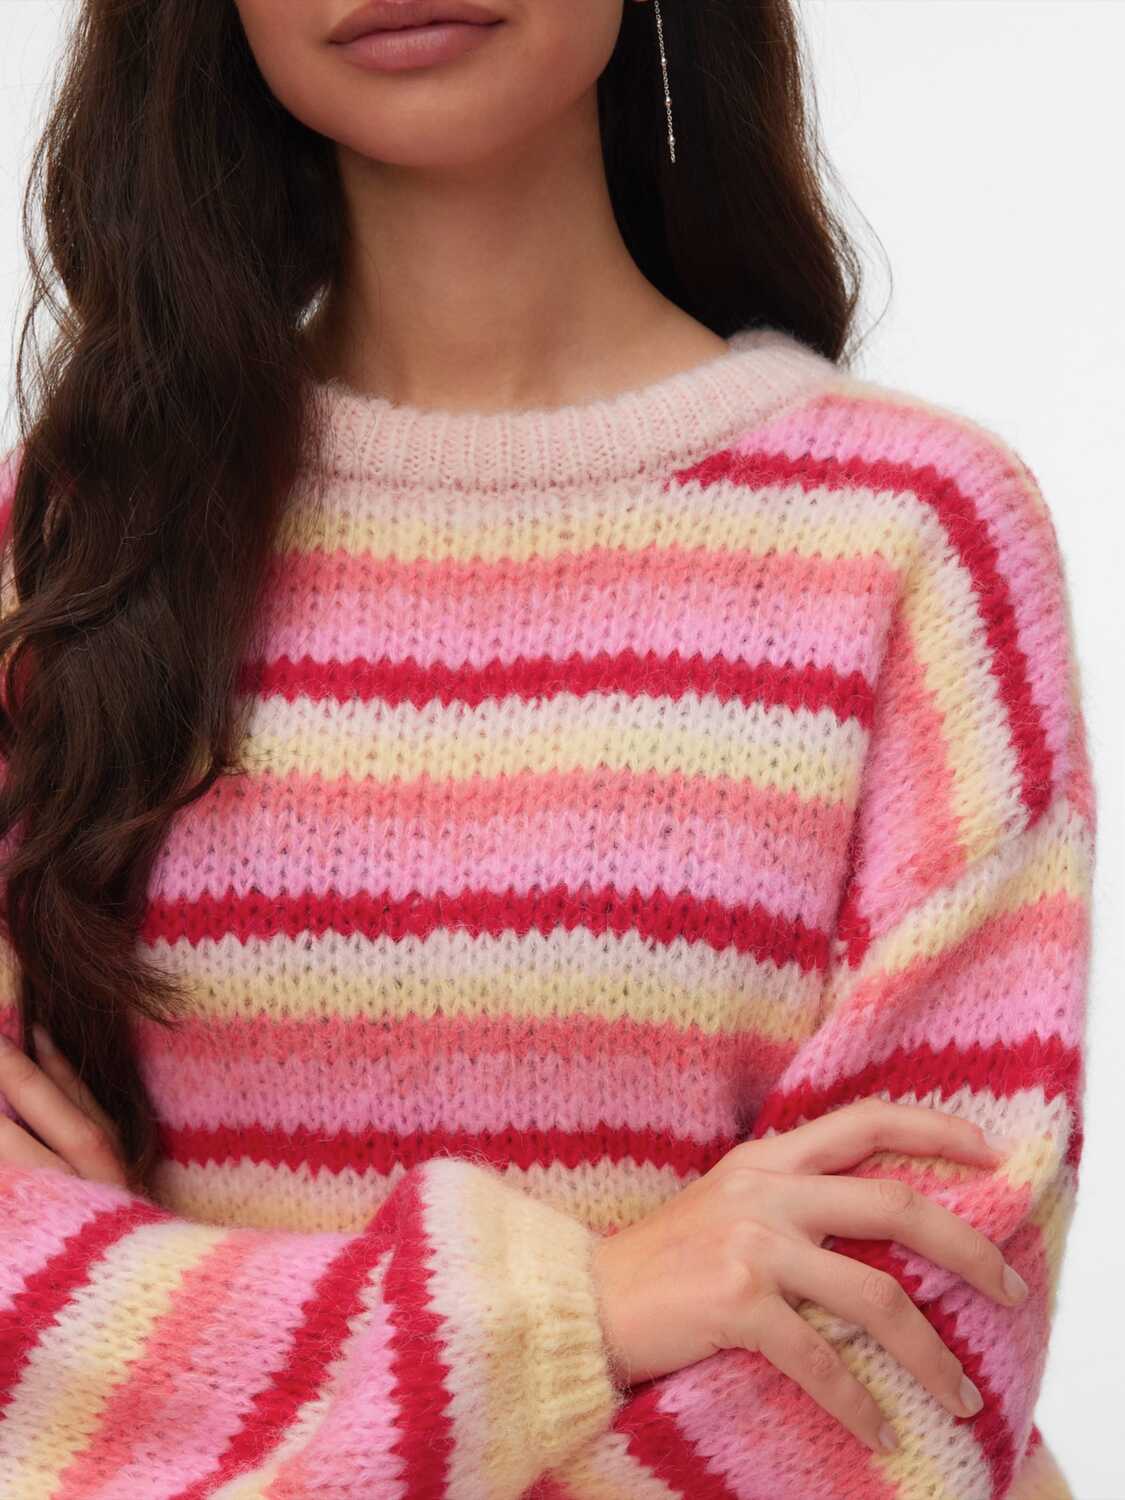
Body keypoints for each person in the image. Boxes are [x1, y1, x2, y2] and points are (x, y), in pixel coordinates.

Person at [0, 1, 1094, 1496]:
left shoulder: (914, 540)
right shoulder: (66, 559)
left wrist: (209, 1382)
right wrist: (577, 1312)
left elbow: (924, 1340)